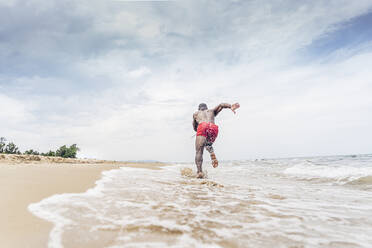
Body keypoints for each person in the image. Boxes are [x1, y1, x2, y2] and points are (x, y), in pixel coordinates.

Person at [192, 102, 240, 178]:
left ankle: (199, 172)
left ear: (199, 109)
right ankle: (210, 149)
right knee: (208, 143)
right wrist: (230, 106)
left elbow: (194, 128)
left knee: (199, 151)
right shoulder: (211, 111)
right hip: (213, 127)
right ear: (206, 108)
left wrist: (199, 129)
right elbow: (221, 105)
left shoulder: (196, 114)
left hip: (202, 126)